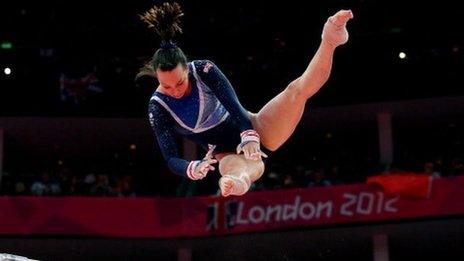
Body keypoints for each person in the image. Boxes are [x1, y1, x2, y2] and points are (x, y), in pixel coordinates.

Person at [137, 2, 353, 197]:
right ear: (157, 77)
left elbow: (233, 105)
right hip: (225, 152)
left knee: (296, 91)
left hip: (255, 127)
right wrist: (191, 168)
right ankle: (236, 183)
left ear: (187, 69)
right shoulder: (158, 107)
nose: (174, 90)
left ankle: (330, 40)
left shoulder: (203, 70)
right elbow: (170, 158)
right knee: (233, 169)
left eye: (180, 83)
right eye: (166, 85)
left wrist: (249, 135)